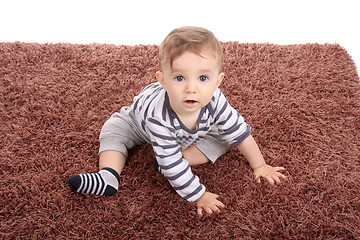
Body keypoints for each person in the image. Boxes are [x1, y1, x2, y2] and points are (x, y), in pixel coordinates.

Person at [68, 26, 287, 216]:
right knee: (113, 129)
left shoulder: (215, 100)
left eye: (203, 78)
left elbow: (239, 132)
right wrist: (199, 195)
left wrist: (260, 165)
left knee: (224, 138)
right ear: (162, 80)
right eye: (179, 78)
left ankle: (178, 159)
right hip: (138, 124)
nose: (191, 88)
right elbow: (171, 162)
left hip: (194, 130)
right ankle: (108, 175)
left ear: (217, 81)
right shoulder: (158, 116)